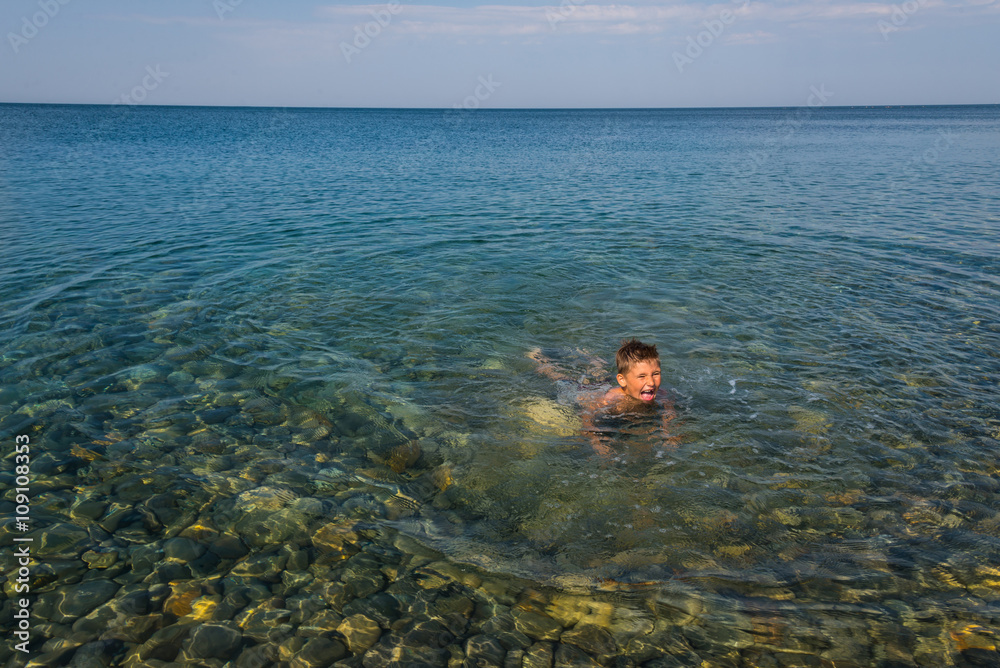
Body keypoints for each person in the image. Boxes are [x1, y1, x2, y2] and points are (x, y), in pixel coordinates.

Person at [528, 339, 678, 455]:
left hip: (604, 385)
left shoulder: (662, 395)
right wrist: (596, 442)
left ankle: (592, 359)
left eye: (656, 374)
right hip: (582, 393)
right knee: (562, 379)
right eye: (642, 376)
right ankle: (539, 361)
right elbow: (587, 416)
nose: (651, 382)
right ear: (622, 380)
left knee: (600, 374)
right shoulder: (612, 399)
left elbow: (669, 412)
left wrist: (668, 433)